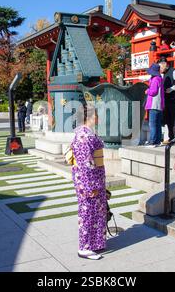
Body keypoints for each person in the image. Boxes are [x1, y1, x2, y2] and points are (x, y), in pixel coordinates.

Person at [70, 104, 107, 261]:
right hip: (88, 180)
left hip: (91, 178)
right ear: (90, 117)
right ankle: (84, 247)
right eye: (96, 115)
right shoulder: (85, 136)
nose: (97, 118)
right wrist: (90, 185)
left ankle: (95, 242)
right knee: (88, 213)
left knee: (96, 212)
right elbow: (86, 162)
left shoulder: (83, 132)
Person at [144, 64, 165, 146]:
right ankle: (158, 140)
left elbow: (153, 91)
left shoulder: (155, 79)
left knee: (152, 124)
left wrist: (147, 91)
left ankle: (152, 140)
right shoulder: (160, 79)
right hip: (159, 105)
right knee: (158, 124)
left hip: (153, 104)